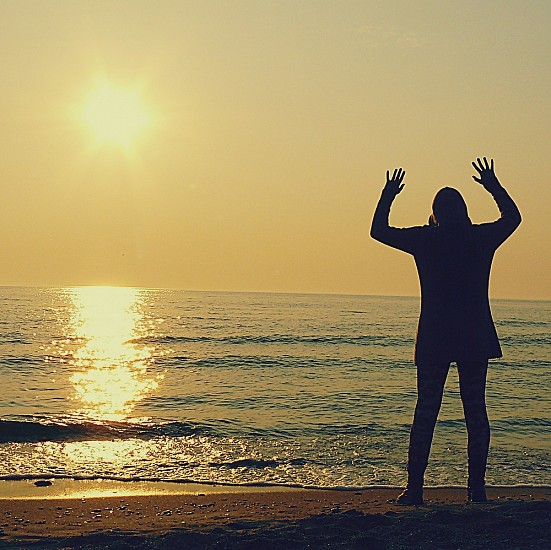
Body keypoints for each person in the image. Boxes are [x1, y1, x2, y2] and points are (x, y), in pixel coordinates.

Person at [370, 158, 521, 505]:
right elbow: (513, 218)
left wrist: (388, 195)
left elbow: (379, 231)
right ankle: (476, 489)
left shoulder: (427, 239)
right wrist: (493, 186)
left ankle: (415, 489)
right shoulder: (479, 237)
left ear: (435, 214)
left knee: (426, 412)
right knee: (475, 412)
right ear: (464, 211)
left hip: (435, 338)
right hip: (474, 337)